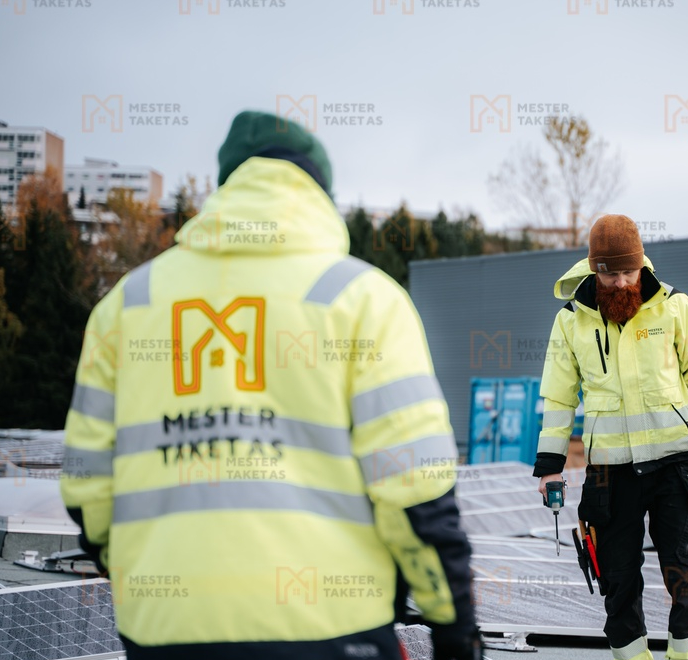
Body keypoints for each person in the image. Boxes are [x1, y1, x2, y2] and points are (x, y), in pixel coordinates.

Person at [60, 110, 480, 660]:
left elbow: (87, 488)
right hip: (330, 630)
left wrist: (142, 574)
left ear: (227, 186)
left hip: (163, 632)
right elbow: (415, 493)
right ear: (317, 191)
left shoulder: (125, 306)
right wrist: (455, 629)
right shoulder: (362, 299)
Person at [534, 214, 688, 660]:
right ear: (595, 270)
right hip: (611, 474)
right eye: (610, 274)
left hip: (677, 466)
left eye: (628, 272)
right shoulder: (571, 322)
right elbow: (557, 397)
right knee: (618, 581)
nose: (620, 283)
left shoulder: (673, 307)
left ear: (641, 264)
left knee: (685, 575)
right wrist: (551, 466)